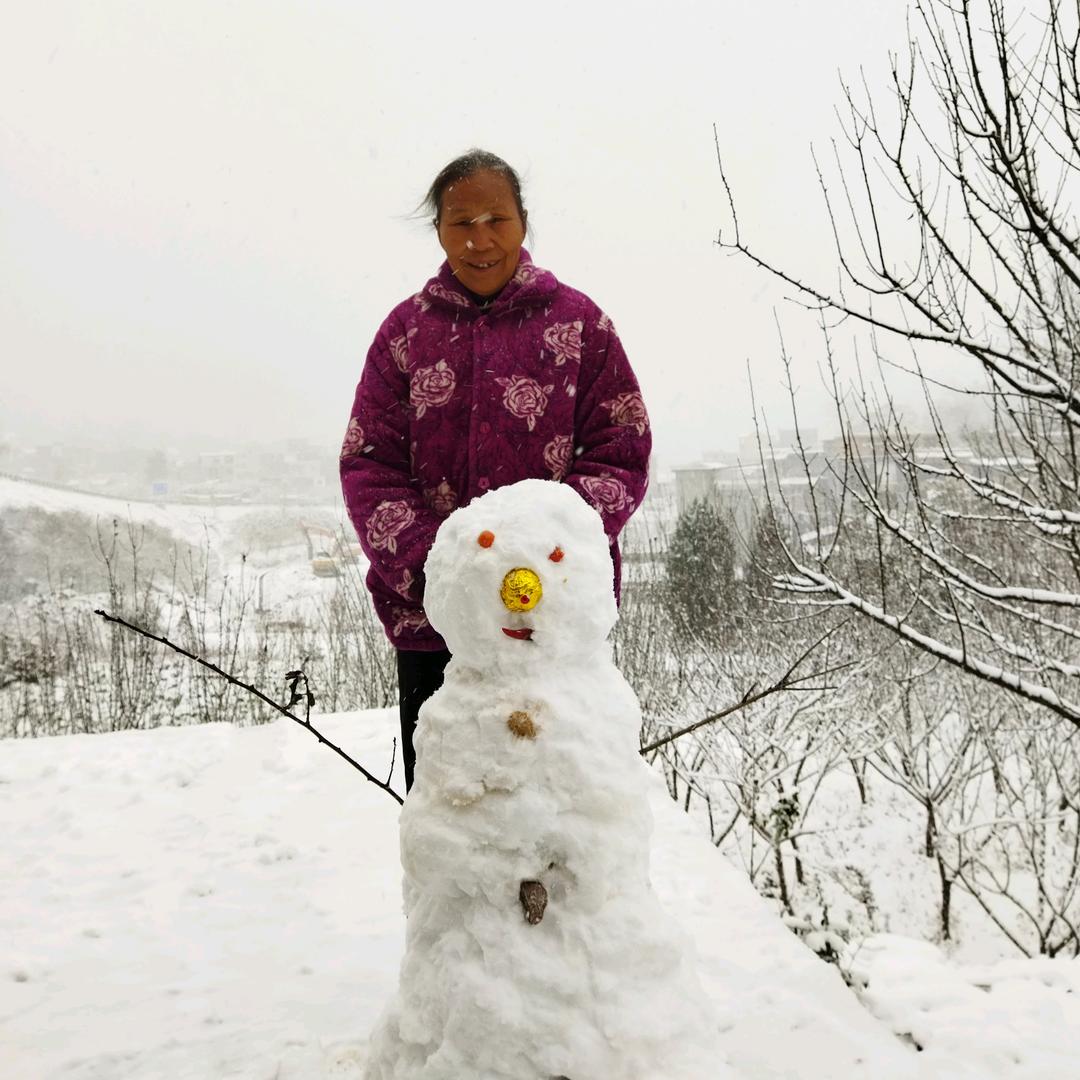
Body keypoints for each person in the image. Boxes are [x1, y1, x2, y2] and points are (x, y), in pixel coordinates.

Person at [340, 149, 651, 792]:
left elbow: (621, 446)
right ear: (438, 230)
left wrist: (539, 559)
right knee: (454, 820)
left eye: (496, 219)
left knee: (566, 819)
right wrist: (451, 569)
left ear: (523, 221)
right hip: (433, 626)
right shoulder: (405, 332)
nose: (480, 239)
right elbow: (370, 462)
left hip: (552, 627)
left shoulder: (580, 324)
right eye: (461, 222)